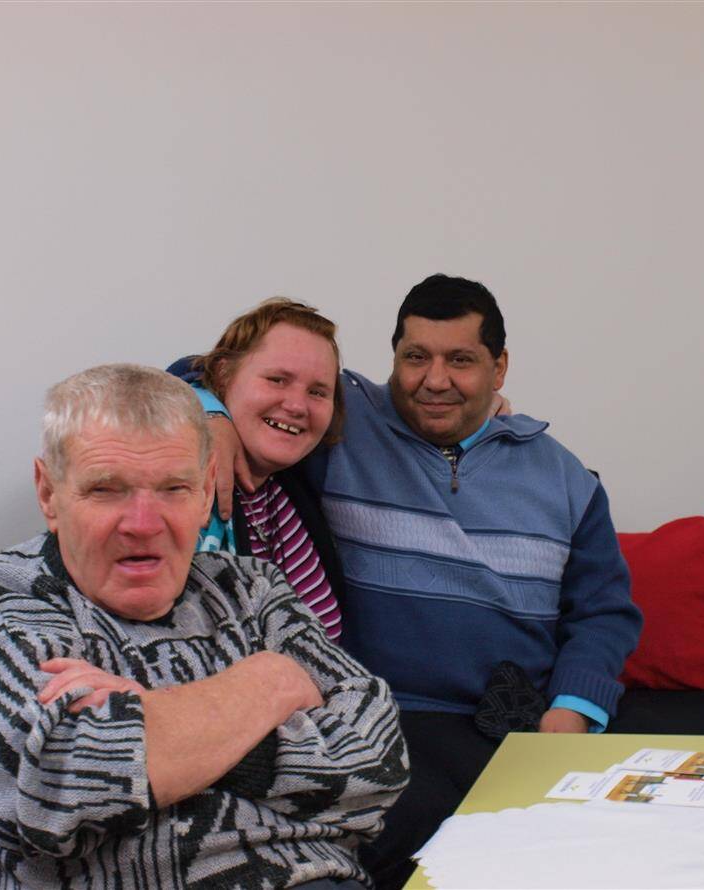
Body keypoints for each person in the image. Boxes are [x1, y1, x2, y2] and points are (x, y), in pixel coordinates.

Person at [196, 274, 642, 886]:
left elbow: (603, 612)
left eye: (461, 360)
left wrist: (571, 712)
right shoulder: (342, 422)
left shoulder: (565, 478)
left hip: (517, 718)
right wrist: (211, 415)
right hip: (384, 713)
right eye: (415, 357)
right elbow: (219, 371)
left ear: (499, 368)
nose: (434, 380)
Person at [0, 364, 408, 888]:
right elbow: (51, 798)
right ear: (48, 493)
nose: (144, 524)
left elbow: (379, 761)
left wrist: (148, 721)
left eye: (174, 488)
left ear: (205, 494)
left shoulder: (251, 588)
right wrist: (269, 682)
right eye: (106, 489)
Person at [182, 298, 347, 639]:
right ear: (223, 375)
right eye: (277, 379)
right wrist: (206, 408)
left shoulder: (299, 480)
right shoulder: (181, 492)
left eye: (318, 392)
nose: (297, 405)